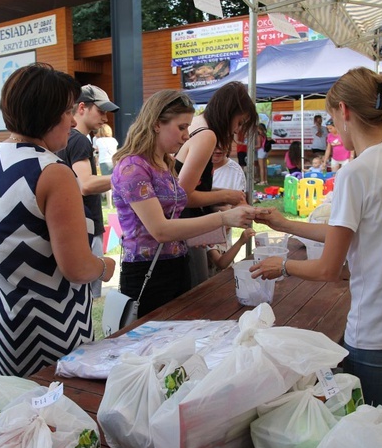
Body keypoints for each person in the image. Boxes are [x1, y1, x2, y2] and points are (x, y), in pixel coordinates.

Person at [250, 67, 382, 413]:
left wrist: (283, 266)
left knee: (362, 420)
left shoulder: (357, 171)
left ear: (345, 111)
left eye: (332, 118)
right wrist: (287, 224)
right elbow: (351, 231)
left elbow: (327, 269)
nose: (334, 129)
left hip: (380, 320)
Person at [0, 64, 115, 378]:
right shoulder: (52, 171)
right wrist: (104, 266)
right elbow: (75, 267)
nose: (73, 120)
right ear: (48, 114)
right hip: (49, 329)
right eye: (66, 112)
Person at [111, 89, 258, 317]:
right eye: (181, 127)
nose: (187, 136)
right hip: (148, 271)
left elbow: (179, 205)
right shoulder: (133, 167)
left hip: (177, 263)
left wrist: (225, 201)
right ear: (157, 123)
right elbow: (160, 230)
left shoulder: (164, 164)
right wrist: (223, 217)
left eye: (188, 127)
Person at [173, 81, 259, 288]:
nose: (236, 130)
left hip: (182, 229)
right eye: (239, 122)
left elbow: (185, 187)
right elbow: (184, 196)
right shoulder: (207, 135)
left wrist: (228, 193)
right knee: (196, 292)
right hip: (185, 232)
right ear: (229, 113)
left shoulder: (197, 126)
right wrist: (225, 196)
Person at [56, 84, 118, 299]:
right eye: (101, 111)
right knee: (89, 295)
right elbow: (86, 185)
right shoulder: (80, 139)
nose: (105, 118)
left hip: (75, 224)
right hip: (87, 225)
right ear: (81, 107)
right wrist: (126, 177)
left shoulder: (67, 138)